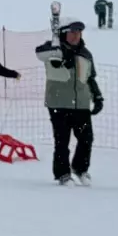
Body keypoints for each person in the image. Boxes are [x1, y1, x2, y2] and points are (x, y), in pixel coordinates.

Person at [37, 21, 103, 186]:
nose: (75, 35)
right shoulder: (52, 49)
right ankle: (63, 174)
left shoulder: (86, 54)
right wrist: (58, 51)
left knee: (86, 138)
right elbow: (40, 53)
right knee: (62, 141)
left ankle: (80, 168)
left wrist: (98, 96)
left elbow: (90, 78)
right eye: (72, 32)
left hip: (81, 103)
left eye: (78, 32)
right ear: (64, 33)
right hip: (58, 103)